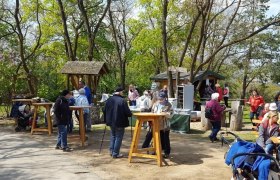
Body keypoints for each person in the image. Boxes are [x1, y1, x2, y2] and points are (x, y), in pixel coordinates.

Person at [142, 92, 173, 158]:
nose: (160, 100)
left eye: (162, 99)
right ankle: (155, 150)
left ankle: (166, 152)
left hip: (164, 125)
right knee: (155, 138)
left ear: (165, 98)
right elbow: (152, 112)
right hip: (155, 124)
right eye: (159, 98)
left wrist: (166, 114)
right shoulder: (155, 104)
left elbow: (171, 115)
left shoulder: (169, 105)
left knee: (165, 139)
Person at [104, 86, 132, 158]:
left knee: (113, 136)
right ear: (119, 92)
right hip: (120, 122)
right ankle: (115, 153)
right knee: (118, 137)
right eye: (122, 92)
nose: (123, 93)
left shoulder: (109, 100)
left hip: (111, 121)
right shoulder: (122, 100)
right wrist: (130, 114)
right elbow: (128, 113)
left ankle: (112, 151)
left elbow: (104, 110)